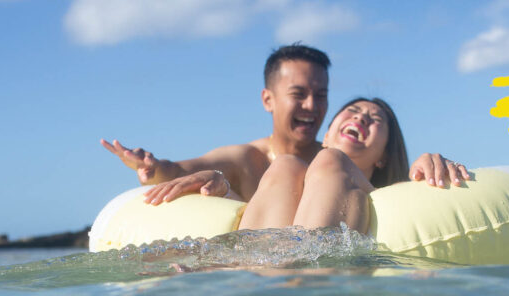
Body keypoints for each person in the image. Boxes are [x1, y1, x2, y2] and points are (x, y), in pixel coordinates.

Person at [101, 44, 466, 204]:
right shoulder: (248, 158)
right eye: (299, 94)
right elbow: (184, 170)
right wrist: (153, 168)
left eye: (321, 95)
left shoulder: (339, 158)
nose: (312, 106)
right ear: (268, 99)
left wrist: (429, 163)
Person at [239, 97, 467, 235]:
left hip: (324, 288)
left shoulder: (393, 195)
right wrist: (216, 184)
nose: (360, 119)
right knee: (286, 164)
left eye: (375, 120)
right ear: (326, 136)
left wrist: (429, 170)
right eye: (353, 112)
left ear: (384, 156)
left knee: (331, 160)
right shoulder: (282, 170)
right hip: (263, 283)